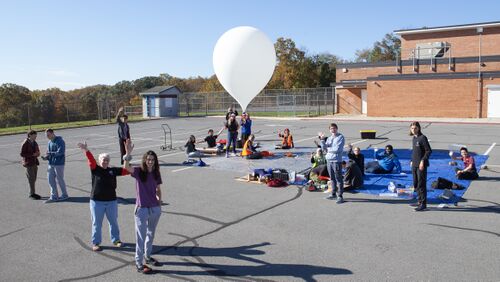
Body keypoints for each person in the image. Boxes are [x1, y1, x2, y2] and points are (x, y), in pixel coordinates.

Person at [77, 141, 129, 252]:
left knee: (113, 222)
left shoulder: (112, 170)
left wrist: (127, 156)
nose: (105, 162)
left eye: (107, 160)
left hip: (111, 201)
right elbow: (91, 160)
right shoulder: (95, 169)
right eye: (103, 160)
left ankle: (116, 240)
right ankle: (96, 243)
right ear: (99, 161)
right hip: (97, 202)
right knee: (97, 223)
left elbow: (126, 170)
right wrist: (86, 150)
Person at [123, 140, 163, 274]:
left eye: (152, 159)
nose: (150, 161)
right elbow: (126, 167)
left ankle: (147, 256)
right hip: (141, 209)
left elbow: (158, 189)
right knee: (140, 237)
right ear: (145, 160)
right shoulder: (139, 171)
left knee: (151, 234)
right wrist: (128, 154)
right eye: (148, 159)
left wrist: (159, 202)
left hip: (154, 208)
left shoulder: (156, 172)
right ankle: (139, 263)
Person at [319, 123, 345, 203]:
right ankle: (333, 193)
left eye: (334, 128)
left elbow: (337, 149)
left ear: (337, 129)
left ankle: (340, 196)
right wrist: (322, 140)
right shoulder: (329, 138)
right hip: (329, 160)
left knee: (339, 178)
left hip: (336, 160)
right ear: (329, 130)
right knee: (332, 178)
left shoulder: (340, 137)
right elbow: (324, 148)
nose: (333, 130)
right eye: (331, 129)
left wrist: (328, 149)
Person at [410, 121, 432, 212]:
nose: (413, 130)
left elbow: (428, 151)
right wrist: (412, 161)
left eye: (415, 128)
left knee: (421, 184)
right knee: (415, 184)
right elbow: (415, 152)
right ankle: (419, 201)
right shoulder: (414, 139)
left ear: (419, 128)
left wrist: (423, 161)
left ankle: (423, 204)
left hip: (421, 165)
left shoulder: (423, 138)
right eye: (412, 128)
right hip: (414, 164)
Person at [44, 128, 69, 203]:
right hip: (51, 163)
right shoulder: (49, 142)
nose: (47, 136)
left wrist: (50, 154)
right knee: (50, 179)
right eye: (46, 135)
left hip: (59, 164)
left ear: (52, 133)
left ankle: (65, 195)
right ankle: (54, 196)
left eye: (48, 135)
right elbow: (49, 153)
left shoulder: (60, 141)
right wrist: (46, 157)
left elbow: (60, 152)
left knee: (59, 180)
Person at [20, 130, 41, 200]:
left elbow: (37, 150)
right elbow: (22, 154)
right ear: (30, 135)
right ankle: (32, 194)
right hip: (28, 163)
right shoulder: (25, 143)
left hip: (34, 162)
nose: (36, 137)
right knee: (31, 179)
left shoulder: (34, 142)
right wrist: (32, 154)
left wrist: (38, 153)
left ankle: (32, 192)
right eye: (34, 135)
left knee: (34, 178)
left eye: (36, 135)